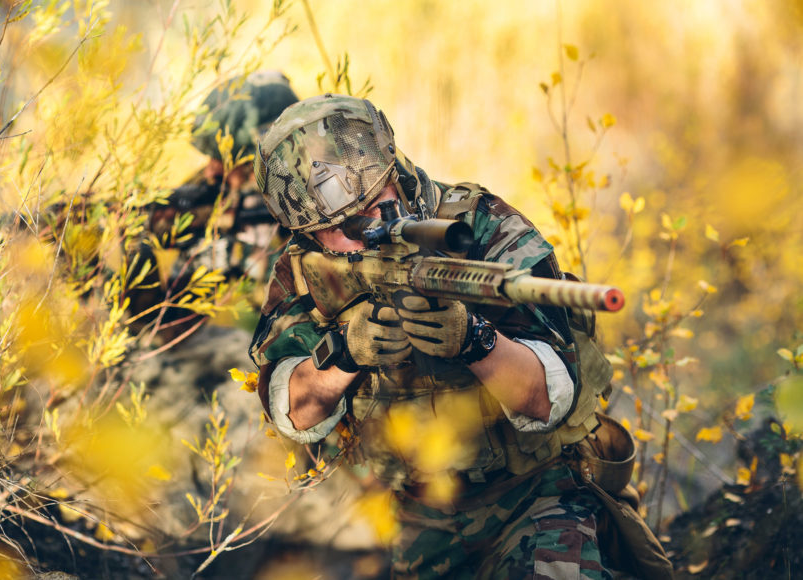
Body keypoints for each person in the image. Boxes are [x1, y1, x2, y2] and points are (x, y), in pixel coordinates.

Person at [248, 94, 671, 578]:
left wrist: (475, 341)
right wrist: (345, 354)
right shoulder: (302, 270)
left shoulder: (484, 225)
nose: (370, 231)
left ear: (396, 177)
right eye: (343, 228)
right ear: (311, 235)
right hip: (410, 514)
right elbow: (292, 413)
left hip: (534, 493)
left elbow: (549, 399)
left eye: (377, 207)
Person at [126, 71, 298, 344]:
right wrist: (131, 260)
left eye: (228, 159)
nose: (210, 170)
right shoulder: (214, 191)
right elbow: (169, 327)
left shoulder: (317, 203)